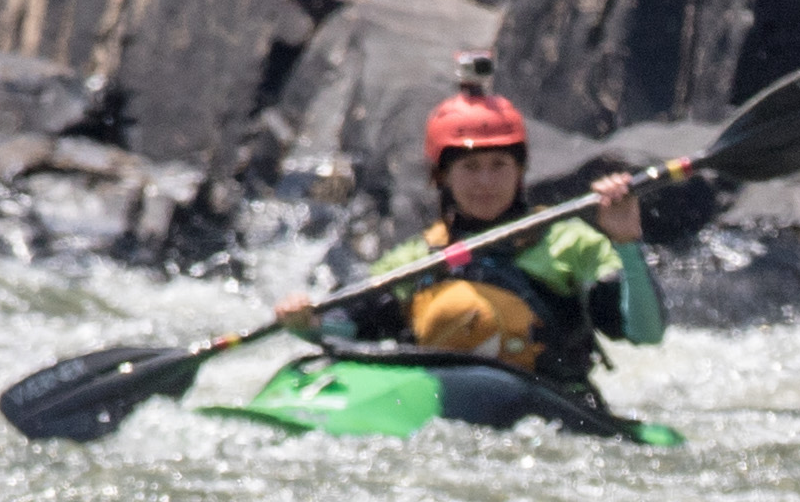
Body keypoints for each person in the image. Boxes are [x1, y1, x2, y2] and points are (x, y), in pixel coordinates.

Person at [275, 58, 660, 404]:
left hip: (546, 404)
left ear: (521, 170)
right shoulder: (417, 258)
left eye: (498, 165)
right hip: (444, 403)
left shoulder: (569, 242)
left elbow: (646, 333)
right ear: (441, 176)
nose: (485, 182)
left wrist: (627, 244)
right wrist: (308, 323)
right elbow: (353, 324)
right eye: (470, 168)